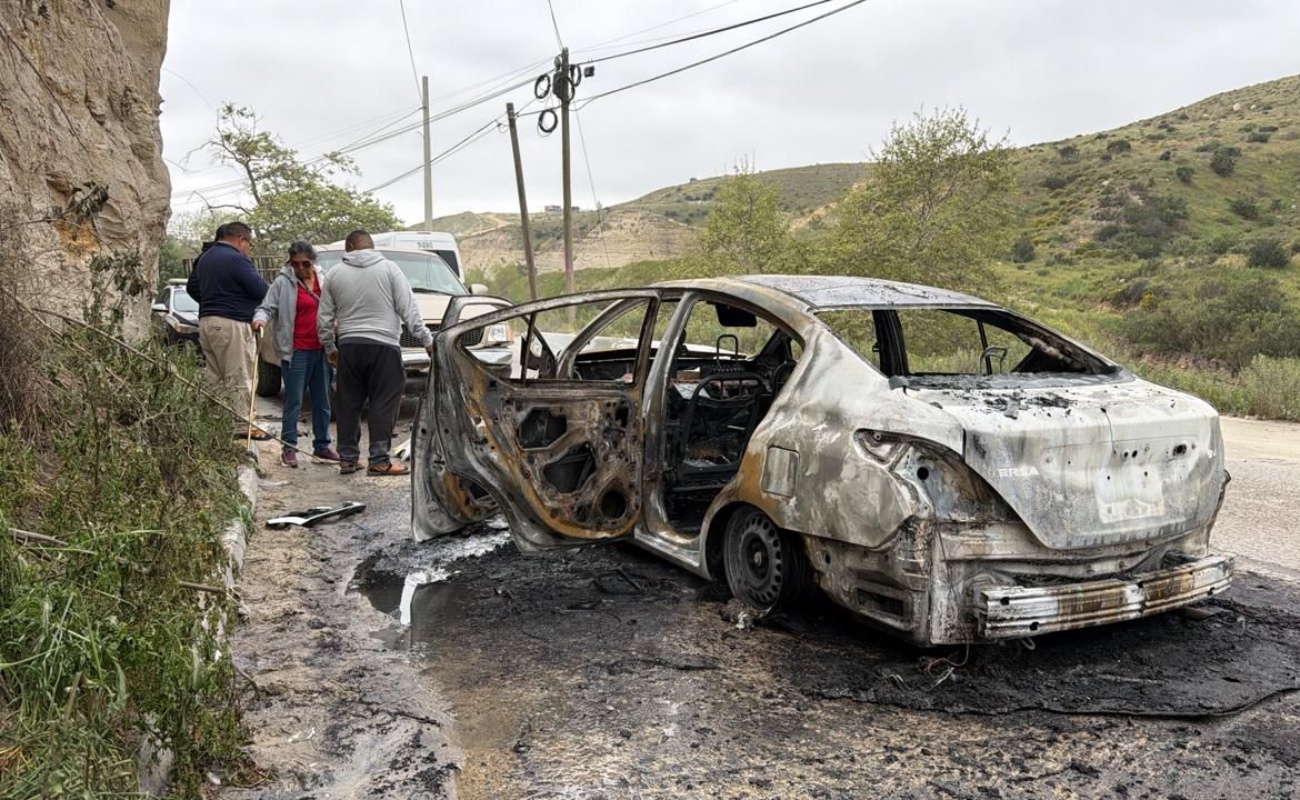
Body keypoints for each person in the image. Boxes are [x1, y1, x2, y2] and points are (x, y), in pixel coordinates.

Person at [317, 229, 431, 475]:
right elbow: (408, 309)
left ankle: (348, 459)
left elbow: (324, 317)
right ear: (371, 247)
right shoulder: (390, 270)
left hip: (349, 346)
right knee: (383, 402)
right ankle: (379, 460)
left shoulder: (335, 274)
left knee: (348, 402)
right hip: (384, 346)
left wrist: (330, 347)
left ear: (349, 246)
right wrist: (426, 339)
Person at [252, 241, 340, 468]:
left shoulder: (325, 280)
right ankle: (289, 447)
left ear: (314, 261)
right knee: (294, 401)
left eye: (305, 263)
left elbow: (336, 306)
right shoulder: (283, 282)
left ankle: (322, 446)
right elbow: (267, 306)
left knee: (323, 401)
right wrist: (260, 318)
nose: (300, 268)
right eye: (295, 264)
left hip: (322, 349)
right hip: (296, 351)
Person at [186, 221, 270, 439]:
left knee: (215, 377)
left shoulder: (204, 258)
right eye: (248, 244)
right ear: (241, 240)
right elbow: (260, 289)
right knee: (240, 376)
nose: (248, 248)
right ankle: (244, 427)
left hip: (207, 322)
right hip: (232, 323)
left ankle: (215, 425)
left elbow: (192, 287)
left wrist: (212, 300)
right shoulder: (236, 259)